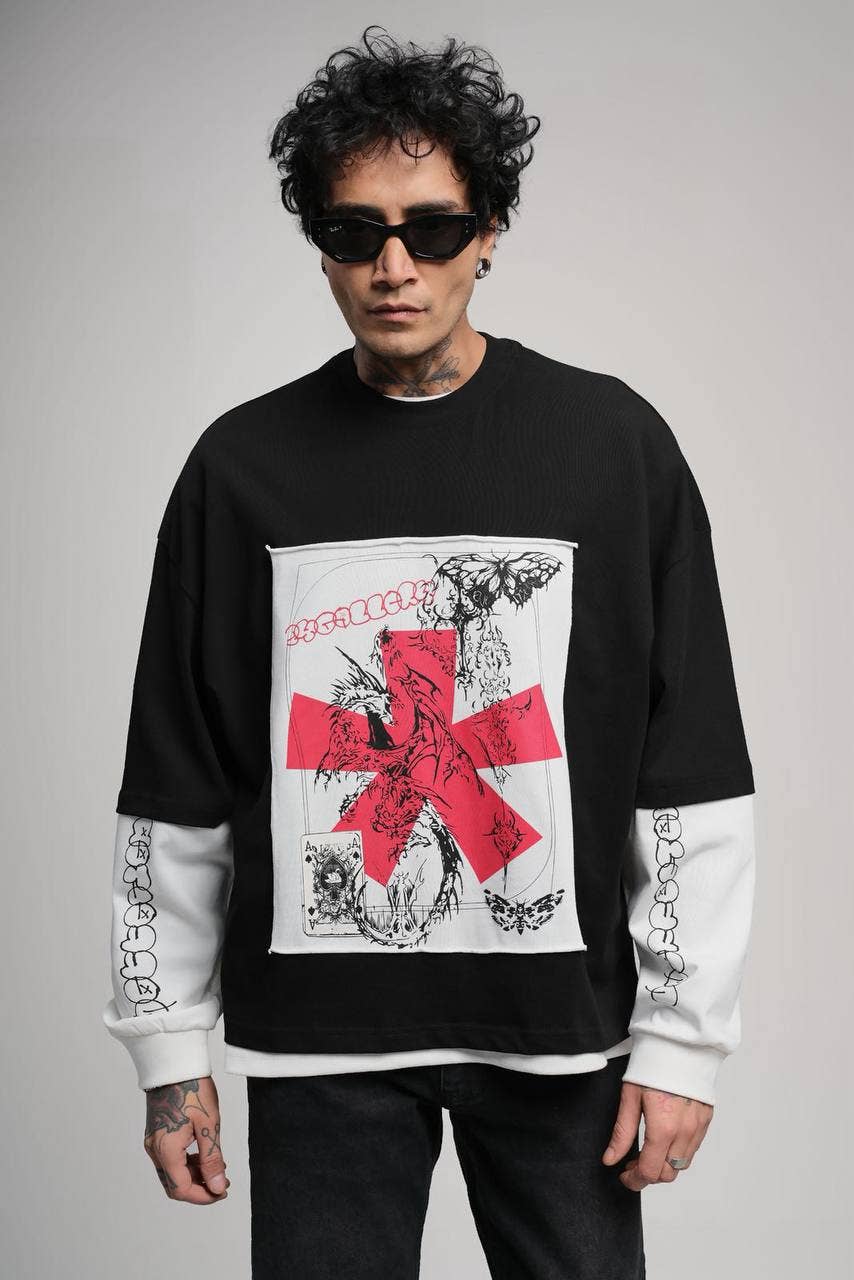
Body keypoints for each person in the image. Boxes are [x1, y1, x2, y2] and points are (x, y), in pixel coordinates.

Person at [102, 24, 756, 1280]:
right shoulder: (240, 468)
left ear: (489, 230)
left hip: (559, 1036)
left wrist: (684, 1039)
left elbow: (687, 764)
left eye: (433, 227)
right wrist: (167, 1049)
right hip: (318, 1044)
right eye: (354, 231)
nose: (393, 266)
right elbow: (176, 774)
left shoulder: (611, 447)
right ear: (319, 244)